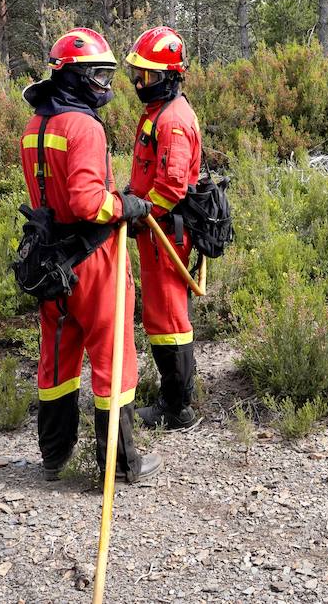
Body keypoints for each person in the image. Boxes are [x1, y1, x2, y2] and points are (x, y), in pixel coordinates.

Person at [19, 28, 160, 484]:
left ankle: (54, 456)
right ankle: (120, 465)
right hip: (93, 260)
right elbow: (85, 202)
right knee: (113, 356)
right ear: (74, 76)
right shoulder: (83, 125)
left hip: (47, 261)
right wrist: (126, 206)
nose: (106, 84)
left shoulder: (36, 124)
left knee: (57, 359)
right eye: (98, 74)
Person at [125, 26, 204, 432]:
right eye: (138, 74)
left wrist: (140, 210)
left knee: (170, 318)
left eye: (150, 76)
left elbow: (171, 186)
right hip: (153, 229)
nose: (141, 83)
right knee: (160, 315)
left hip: (165, 232)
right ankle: (170, 398)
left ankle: (178, 408)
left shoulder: (173, 120)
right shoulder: (158, 111)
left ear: (171, 76)